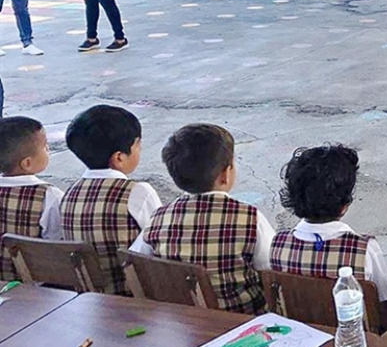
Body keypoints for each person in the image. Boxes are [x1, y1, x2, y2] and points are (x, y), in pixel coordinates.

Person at [130, 124, 275, 315]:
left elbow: (137, 261)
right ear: (225, 174)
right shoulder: (250, 219)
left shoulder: (158, 218)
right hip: (240, 324)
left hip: (184, 323)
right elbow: (271, 271)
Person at [269, 144, 387, 328]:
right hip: (353, 345)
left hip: (303, 342)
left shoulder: (278, 244)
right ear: (345, 205)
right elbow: (384, 308)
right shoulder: (364, 249)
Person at [62, 105, 162, 294]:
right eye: (137, 146)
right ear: (119, 158)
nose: (140, 150)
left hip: (87, 296)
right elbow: (158, 240)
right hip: (132, 295)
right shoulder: (138, 192)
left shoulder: (69, 193)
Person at [0, 116, 64, 280]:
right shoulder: (48, 195)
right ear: (27, 163)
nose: (48, 149)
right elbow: (55, 244)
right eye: (45, 147)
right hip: (32, 285)